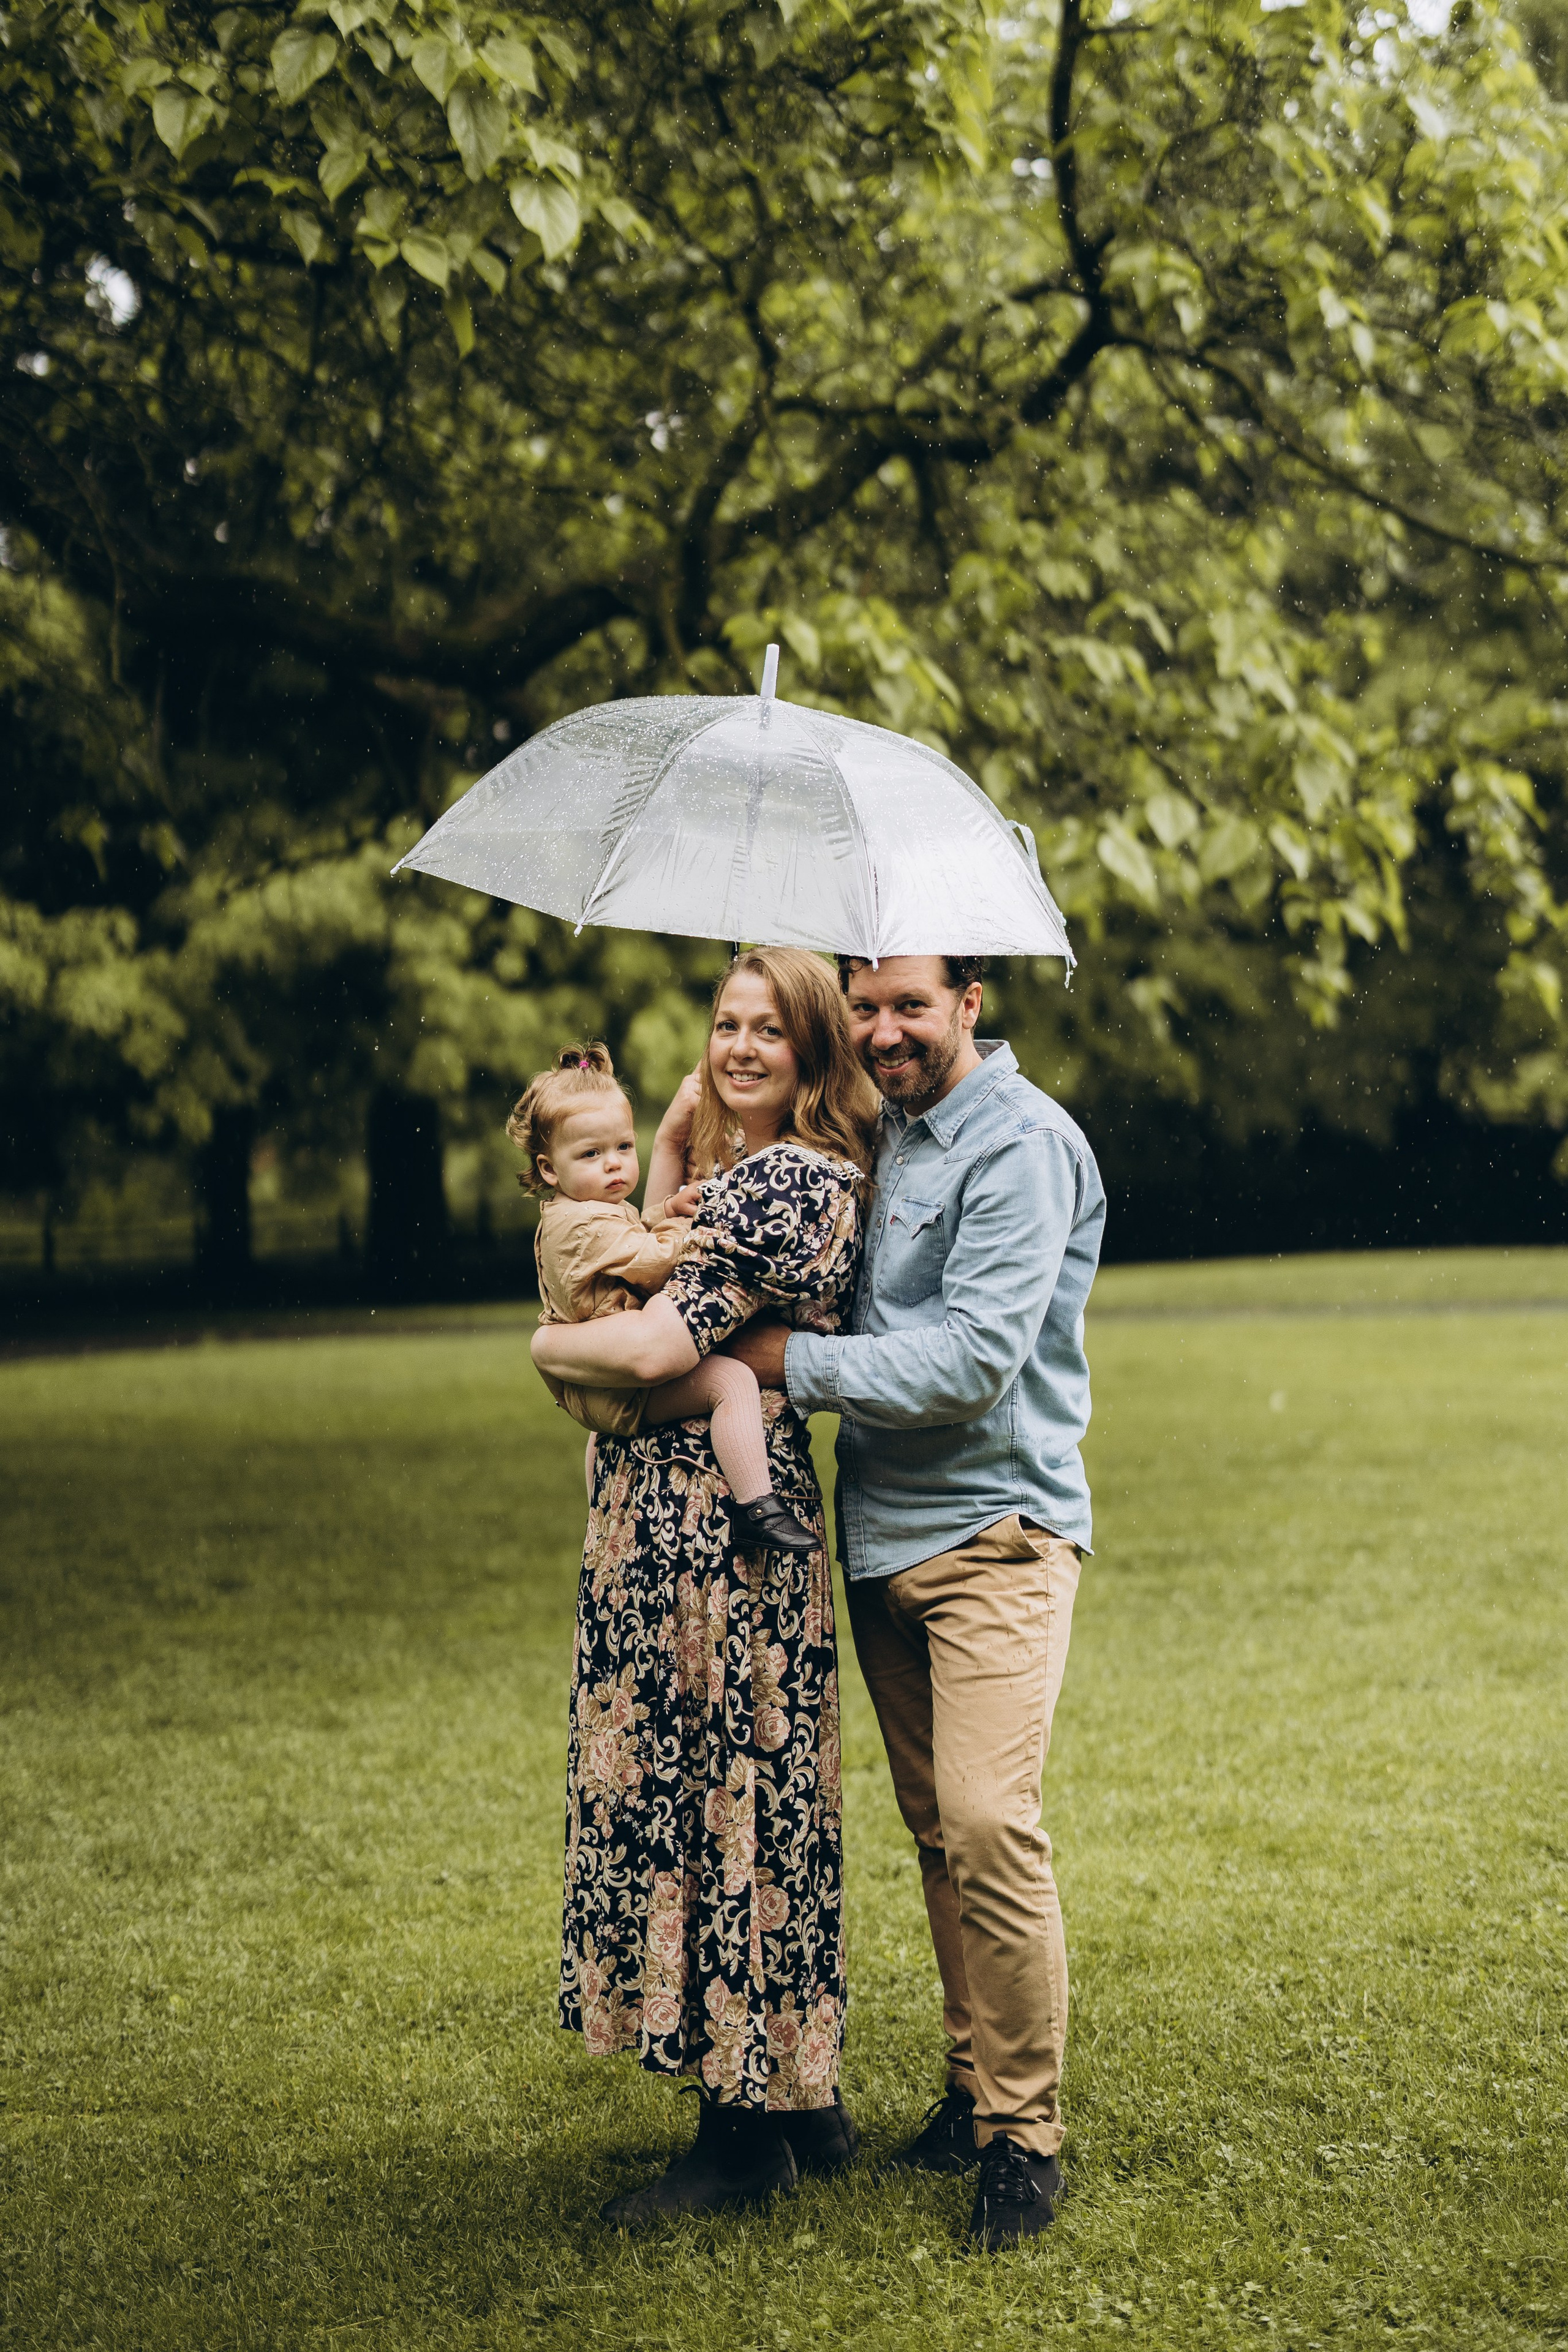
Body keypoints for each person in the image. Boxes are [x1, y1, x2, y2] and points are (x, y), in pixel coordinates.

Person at [723, 954, 1105, 2253]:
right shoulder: (868, 1131)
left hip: (995, 1536)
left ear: (969, 1005)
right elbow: (729, 1102)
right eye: (866, 1007)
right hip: (880, 1537)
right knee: (939, 1831)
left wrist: (788, 1363)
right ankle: (966, 2092)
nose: (883, 1032)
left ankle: (1021, 2137)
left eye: (909, 1007)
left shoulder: (1022, 1145)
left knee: (994, 1825)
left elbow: (970, 1357)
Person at [529, 948, 880, 2225]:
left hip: (708, 1542)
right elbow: (675, 1263)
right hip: (683, 1518)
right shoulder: (739, 1177)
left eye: (767, 1032)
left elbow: (658, 1340)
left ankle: (740, 2144)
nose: (738, 1048)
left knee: (717, 1799)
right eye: (724, 1025)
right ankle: (796, 2095)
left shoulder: (789, 1183)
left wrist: (544, 1344)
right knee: (753, 1793)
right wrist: (680, 1135)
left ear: (811, 1056)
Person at [508, 1042, 818, 1553]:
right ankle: (756, 1505)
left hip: (600, 1375)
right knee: (732, 1380)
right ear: (547, 1169)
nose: (614, 1167)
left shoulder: (582, 1210)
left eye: (624, 1148)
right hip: (624, 1380)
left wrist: (664, 1208)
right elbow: (649, 1262)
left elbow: (627, 1236)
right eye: (591, 1154)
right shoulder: (581, 1225)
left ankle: (597, 1513)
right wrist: (698, 1227)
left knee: (605, 1433)